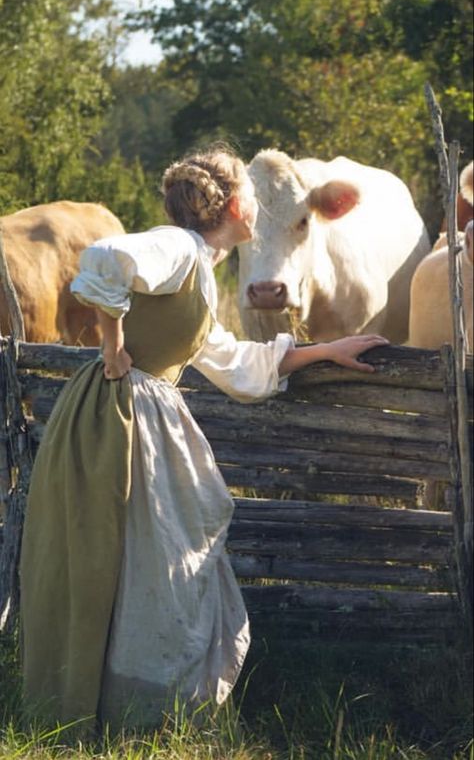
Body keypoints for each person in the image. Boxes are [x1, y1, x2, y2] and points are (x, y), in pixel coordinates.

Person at [20, 148, 388, 732]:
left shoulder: (198, 268)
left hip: (137, 414)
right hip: (116, 416)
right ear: (238, 204)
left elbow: (233, 361)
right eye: (253, 199)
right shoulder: (177, 247)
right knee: (122, 557)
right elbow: (105, 256)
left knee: (151, 561)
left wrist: (326, 351)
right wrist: (112, 346)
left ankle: (134, 710)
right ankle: (107, 712)